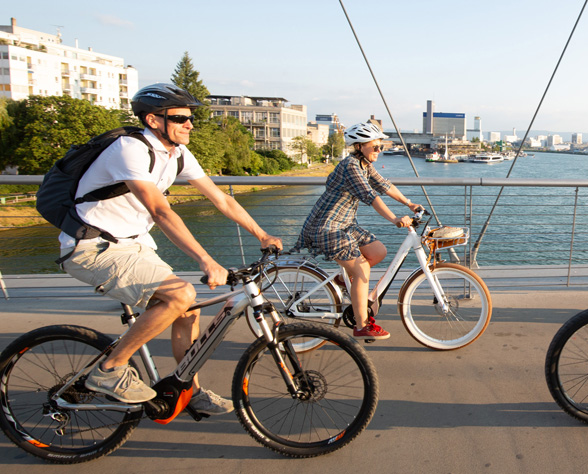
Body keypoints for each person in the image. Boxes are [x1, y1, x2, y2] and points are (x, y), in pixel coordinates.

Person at [60, 83, 282, 412]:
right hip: (92, 247)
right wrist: (206, 260)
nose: (189, 124)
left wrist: (261, 234)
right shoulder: (129, 149)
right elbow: (160, 211)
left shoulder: (177, 154)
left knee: (187, 312)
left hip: (133, 246)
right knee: (181, 295)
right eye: (180, 118)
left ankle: (186, 392)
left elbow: (220, 198)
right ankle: (109, 371)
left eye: (191, 118)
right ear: (153, 120)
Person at [294, 122, 423, 340]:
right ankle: (362, 325)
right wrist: (394, 218)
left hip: (344, 224)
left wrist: (409, 203)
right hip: (326, 227)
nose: (379, 151)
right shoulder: (350, 167)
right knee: (363, 269)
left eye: (381, 146)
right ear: (361, 145)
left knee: (378, 252)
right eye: (375, 147)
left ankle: (344, 280)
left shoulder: (364, 165)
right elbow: (371, 196)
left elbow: (384, 185)